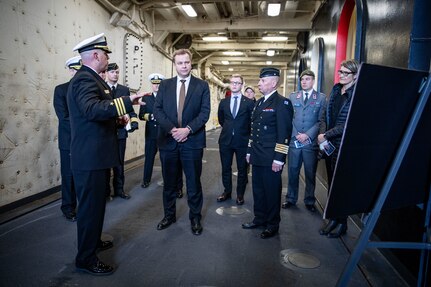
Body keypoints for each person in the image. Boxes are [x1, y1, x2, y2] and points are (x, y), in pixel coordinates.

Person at [67, 33, 145, 275]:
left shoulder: (92, 79)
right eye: (106, 54)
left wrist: (119, 120)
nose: (108, 58)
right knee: (90, 209)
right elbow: (91, 110)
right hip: (90, 159)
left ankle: (93, 242)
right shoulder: (84, 80)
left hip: (96, 157)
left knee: (96, 206)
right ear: (96, 55)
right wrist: (126, 102)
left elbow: (98, 116)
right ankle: (86, 259)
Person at [153, 48, 210, 236]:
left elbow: (204, 113)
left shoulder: (201, 86)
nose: (183, 66)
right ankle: (169, 216)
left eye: (186, 62)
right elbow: (158, 110)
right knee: (169, 183)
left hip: (192, 141)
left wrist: (187, 130)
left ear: (190, 63)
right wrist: (172, 130)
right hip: (168, 141)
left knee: (193, 182)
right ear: (174, 64)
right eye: (180, 63)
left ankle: (195, 218)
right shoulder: (165, 85)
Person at [242, 67, 294, 239]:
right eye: (260, 80)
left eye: (262, 81)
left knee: (272, 192)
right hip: (257, 155)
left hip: (271, 157)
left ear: (273, 82)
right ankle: (259, 218)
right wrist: (249, 150)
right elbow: (253, 130)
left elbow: (284, 134)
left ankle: (272, 224)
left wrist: (279, 159)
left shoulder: (282, 103)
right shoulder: (259, 103)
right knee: (258, 190)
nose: (259, 84)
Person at [317, 59, 359, 238]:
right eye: (340, 72)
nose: (341, 75)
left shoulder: (357, 94)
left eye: (346, 73)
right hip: (330, 145)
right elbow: (325, 115)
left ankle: (342, 223)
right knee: (332, 184)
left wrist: (326, 135)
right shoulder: (336, 91)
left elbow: (349, 123)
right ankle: (333, 218)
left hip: (344, 145)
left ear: (355, 76)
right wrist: (322, 134)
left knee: (341, 186)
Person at [282, 70, 327, 212]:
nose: (304, 81)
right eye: (302, 79)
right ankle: (291, 198)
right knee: (293, 171)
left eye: (307, 79)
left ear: (313, 81)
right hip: (295, 141)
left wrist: (307, 135)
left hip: (310, 143)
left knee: (310, 173)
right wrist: (297, 134)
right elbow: (289, 118)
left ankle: (309, 200)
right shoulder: (293, 96)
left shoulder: (320, 98)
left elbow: (321, 121)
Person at [216, 74, 254, 205]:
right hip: (225, 141)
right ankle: (227, 191)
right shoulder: (223, 102)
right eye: (232, 82)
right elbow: (222, 120)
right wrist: (230, 130)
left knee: (242, 169)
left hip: (242, 141)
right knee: (226, 168)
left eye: (237, 83)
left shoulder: (249, 103)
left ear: (242, 85)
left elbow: (251, 123)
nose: (234, 85)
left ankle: (240, 194)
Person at [53, 55, 81, 222]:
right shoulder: (61, 90)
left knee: (83, 174)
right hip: (69, 140)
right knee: (69, 175)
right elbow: (63, 117)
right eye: (75, 70)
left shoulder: (86, 89)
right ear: (70, 71)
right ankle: (68, 208)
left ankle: (83, 205)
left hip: (85, 141)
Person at [106, 62, 138, 200]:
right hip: (105, 133)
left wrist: (134, 121)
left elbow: (129, 108)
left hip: (120, 132)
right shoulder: (101, 88)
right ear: (107, 73)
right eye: (112, 72)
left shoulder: (124, 90)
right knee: (106, 164)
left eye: (117, 72)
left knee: (119, 163)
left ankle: (119, 190)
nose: (115, 74)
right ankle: (106, 192)